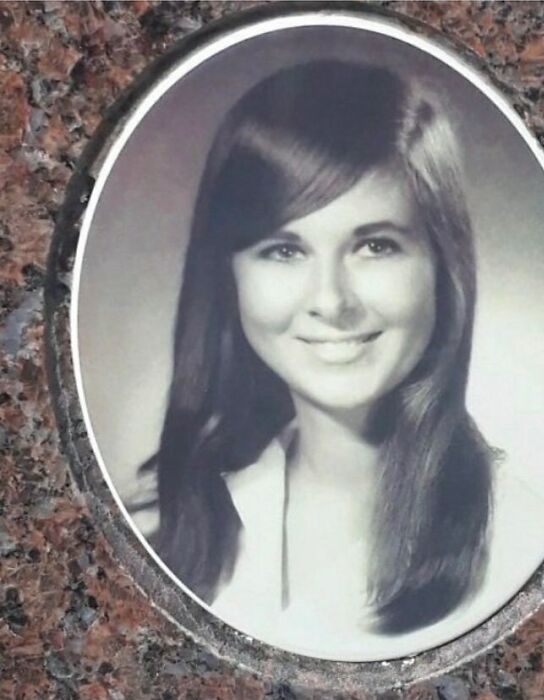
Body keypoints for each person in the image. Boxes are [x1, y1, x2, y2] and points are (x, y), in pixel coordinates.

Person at [127, 59, 495, 651]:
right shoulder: (154, 536)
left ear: (444, 270)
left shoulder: (529, 539)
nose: (330, 301)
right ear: (228, 277)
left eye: (376, 246)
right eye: (283, 251)